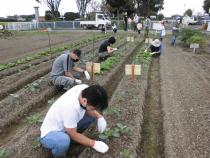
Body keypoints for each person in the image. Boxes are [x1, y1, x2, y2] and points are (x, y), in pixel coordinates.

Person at [40, 84, 109, 157]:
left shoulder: (84, 89)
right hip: (50, 133)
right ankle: (59, 155)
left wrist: (99, 117)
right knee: (63, 141)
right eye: (93, 108)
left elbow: (88, 108)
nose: (94, 110)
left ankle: (73, 140)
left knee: (92, 116)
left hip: (67, 123)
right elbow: (72, 134)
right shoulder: (70, 108)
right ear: (84, 101)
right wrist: (93, 143)